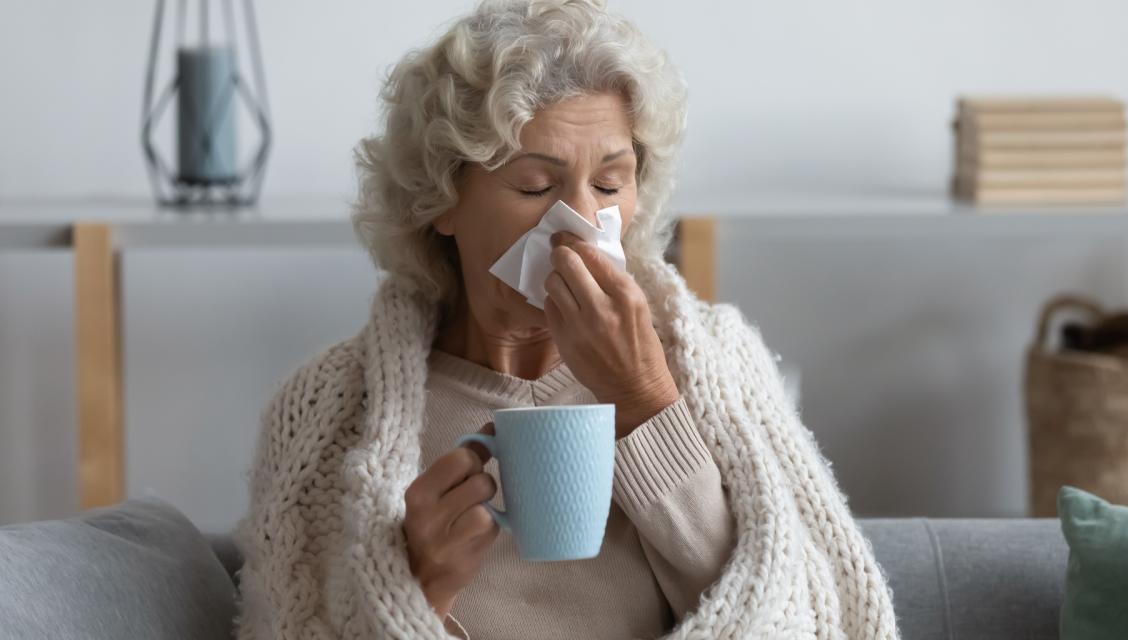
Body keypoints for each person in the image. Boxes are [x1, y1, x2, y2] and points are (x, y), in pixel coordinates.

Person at [232, 1, 899, 638]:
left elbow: (805, 616)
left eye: (610, 184)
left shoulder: (714, 363)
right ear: (440, 200)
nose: (580, 226)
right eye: (535, 186)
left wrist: (645, 402)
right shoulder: (328, 413)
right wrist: (418, 591)